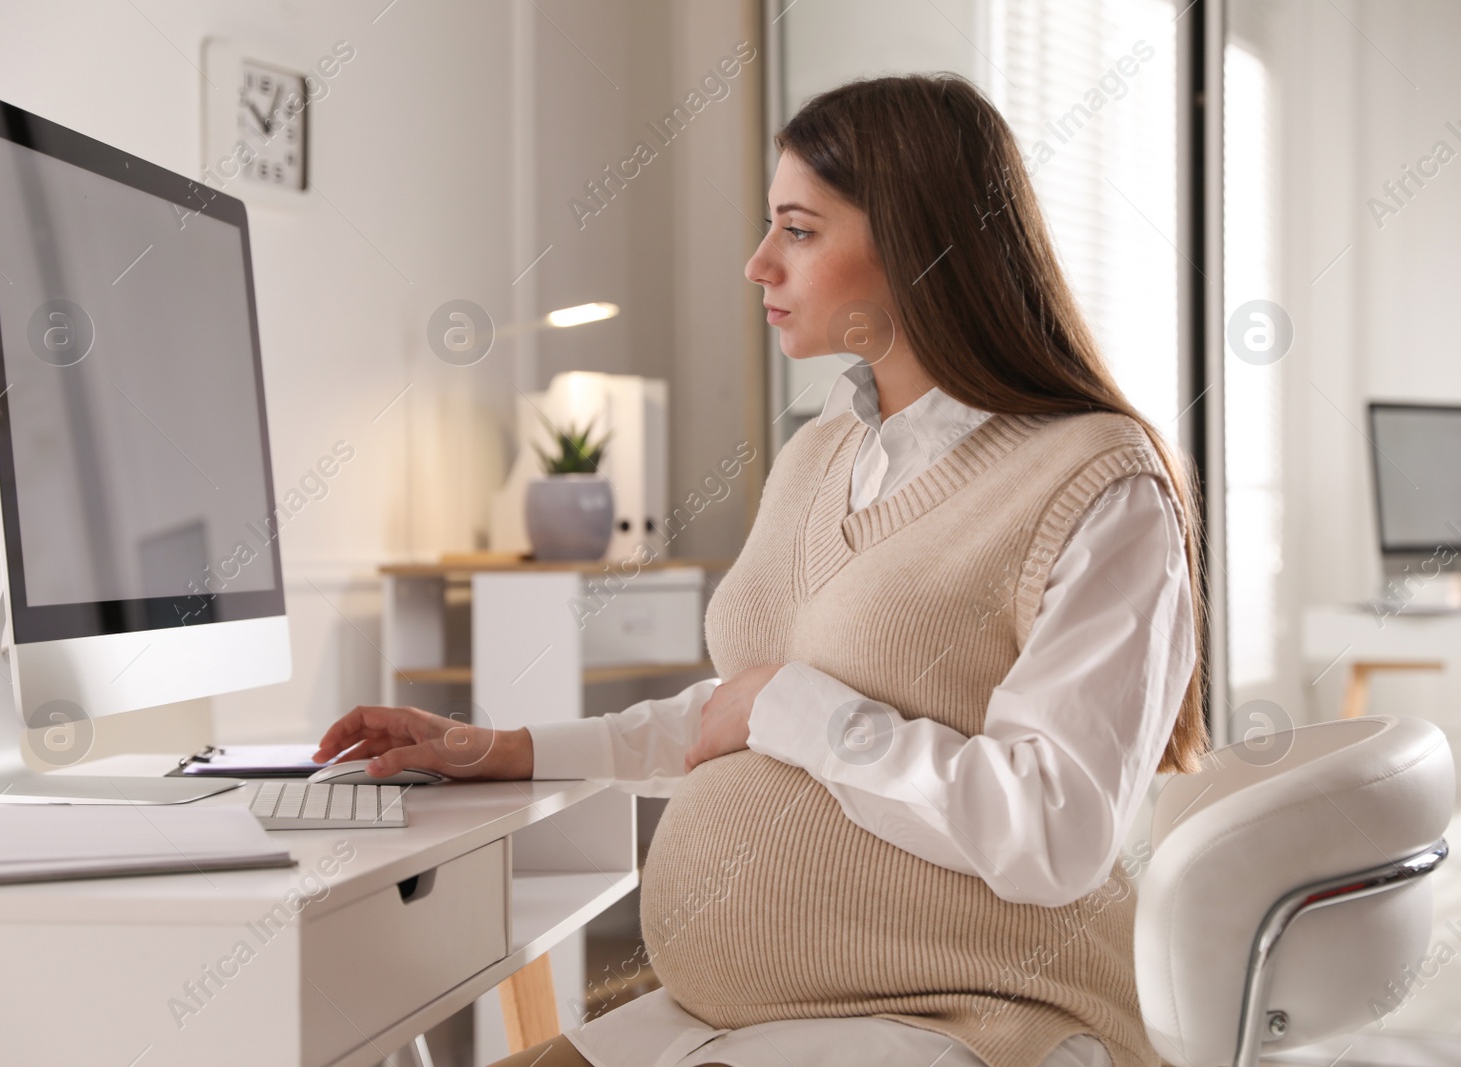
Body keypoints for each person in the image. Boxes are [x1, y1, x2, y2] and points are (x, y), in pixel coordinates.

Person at [314, 72, 1208, 1067]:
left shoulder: (1095, 483)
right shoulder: (829, 444)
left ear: (919, 244)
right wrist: (503, 746)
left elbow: (1051, 833)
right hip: (742, 1015)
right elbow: (739, 709)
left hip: (980, 1011)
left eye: (798, 228)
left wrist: (792, 705)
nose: (756, 264)